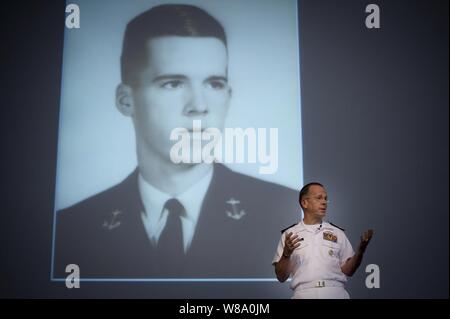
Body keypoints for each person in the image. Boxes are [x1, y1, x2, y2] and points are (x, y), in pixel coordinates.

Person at [54, 4, 299, 279]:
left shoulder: (289, 216)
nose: (198, 106)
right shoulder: (68, 230)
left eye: (214, 83)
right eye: (173, 83)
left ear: (228, 95)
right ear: (126, 100)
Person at [272, 182, 374, 298]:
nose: (324, 202)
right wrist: (286, 254)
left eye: (326, 199)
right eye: (319, 198)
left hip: (335, 292)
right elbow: (281, 277)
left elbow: (349, 270)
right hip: (304, 293)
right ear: (304, 202)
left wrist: (361, 250)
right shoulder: (289, 235)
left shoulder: (337, 232)